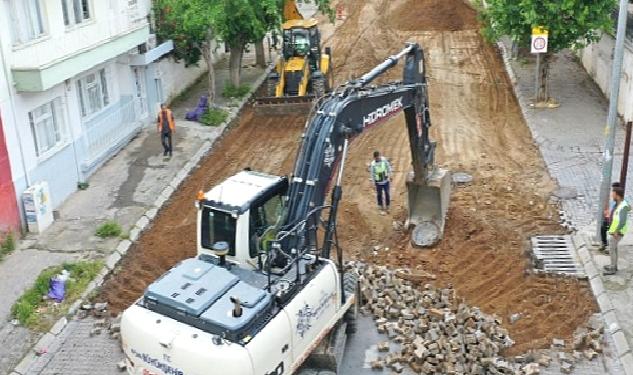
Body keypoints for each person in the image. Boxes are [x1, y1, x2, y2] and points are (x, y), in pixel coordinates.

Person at [604, 186, 629, 275]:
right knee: (614, 248)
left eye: (613, 194)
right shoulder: (618, 204)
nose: (612, 196)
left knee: (612, 249)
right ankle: (613, 265)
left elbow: (622, 221)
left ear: (618, 196)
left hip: (618, 232)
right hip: (615, 231)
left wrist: (616, 231)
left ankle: (613, 267)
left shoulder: (622, 206)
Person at [601, 182, 621, 251]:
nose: (613, 191)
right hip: (609, 218)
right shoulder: (612, 197)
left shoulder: (619, 199)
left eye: (614, 189)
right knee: (603, 228)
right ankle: (604, 244)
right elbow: (609, 207)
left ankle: (610, 247)